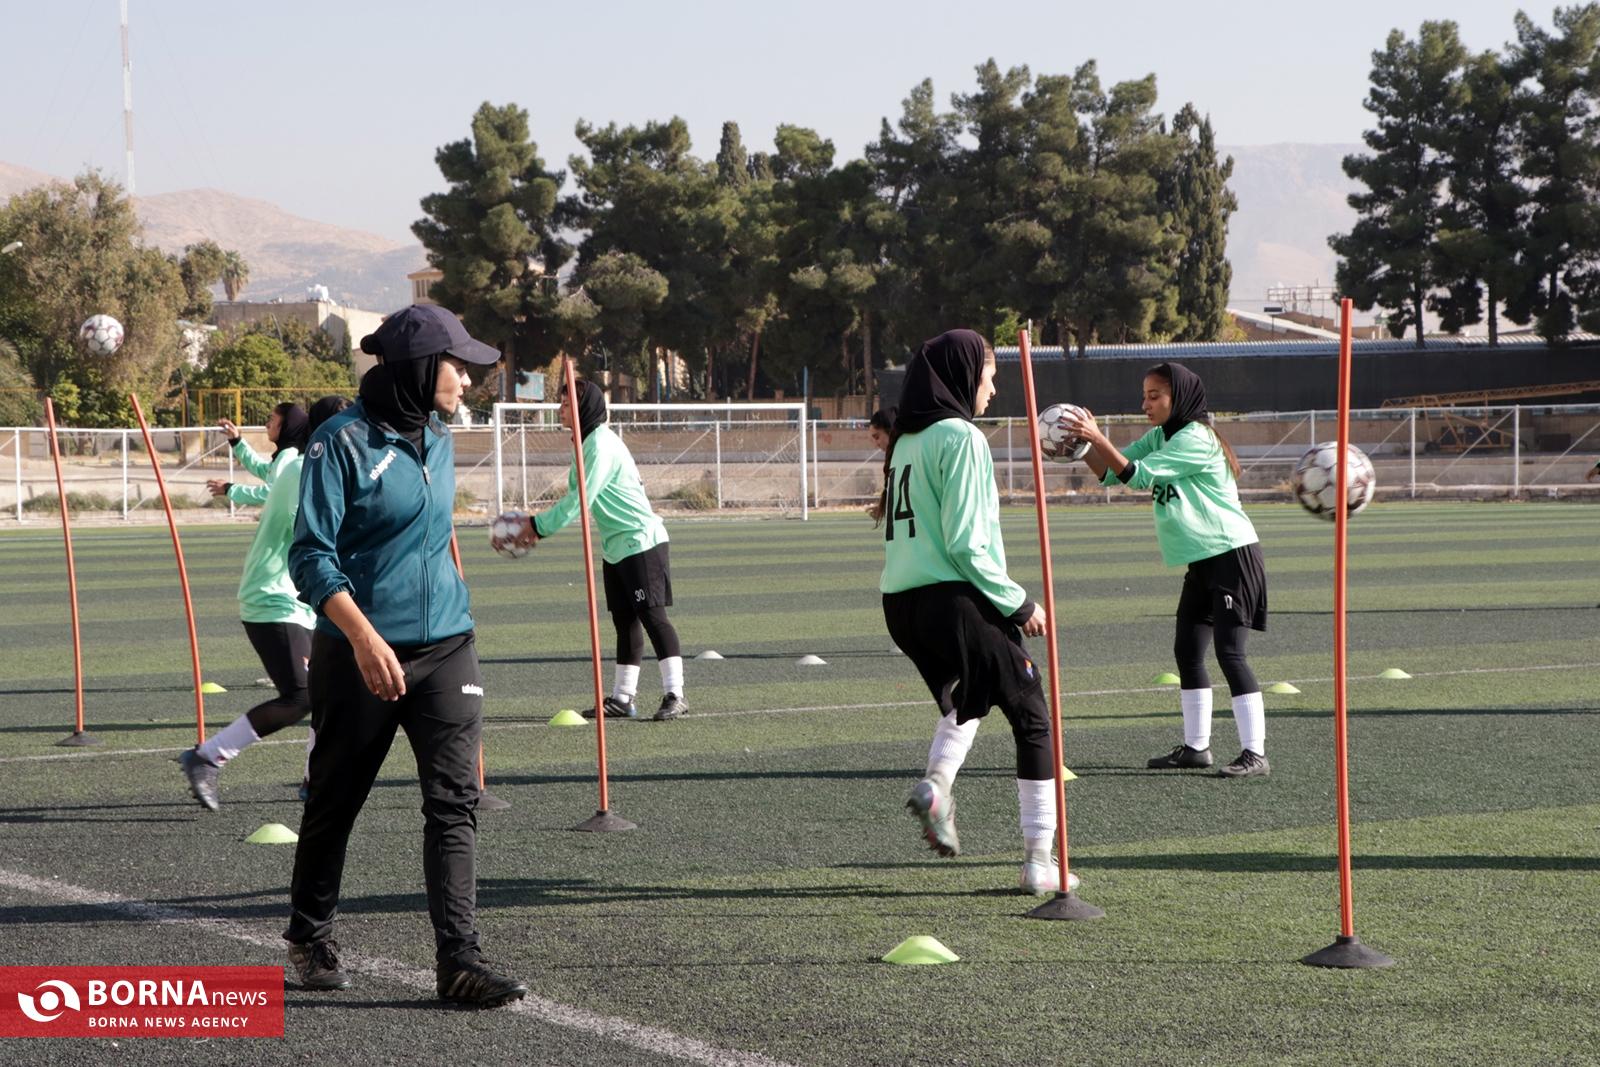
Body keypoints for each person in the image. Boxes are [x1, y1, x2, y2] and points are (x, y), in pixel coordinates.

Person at [283, 305, 525, 1006]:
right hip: (358, 653)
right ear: (422, 368)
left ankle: (459, 959)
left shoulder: (441, 436)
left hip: (448, 645)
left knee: (454, 803)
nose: (467, 384)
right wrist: (363, 637)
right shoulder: (341, 442)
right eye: (458, 367)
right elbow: (310, 557)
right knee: (336, 798)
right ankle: (310, 929)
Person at [879, 329, 1076, 896]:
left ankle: (938, 786)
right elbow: (967, 545)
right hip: (951, 597)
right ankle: (1041, 861)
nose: (993, 388)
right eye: (989, 375)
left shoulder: (906, 440)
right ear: (965, 376)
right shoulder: (961, 437)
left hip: (902, 604)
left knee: (973, 694)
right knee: (1033, 714)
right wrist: (1019, 602)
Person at [1059, 362, 1271, 779]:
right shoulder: (1161, 436)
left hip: (1233, 555)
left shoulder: (1197, 439)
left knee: (1231, 653)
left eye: (1155, 396)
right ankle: (1197, 748)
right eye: (1144, 396)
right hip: (1203, 561)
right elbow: (1109, 475)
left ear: (1181, 397)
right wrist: (1081, 447)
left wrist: (1097, 435)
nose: (1146, 404)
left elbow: (1138, 477)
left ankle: (1255, 753)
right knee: (1188, 652)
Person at [180, 399, 353, 811]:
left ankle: (315, 782)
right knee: (300, 696)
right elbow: (318, 533)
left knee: (329, 693)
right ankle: (208, 757)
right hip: (274, 596)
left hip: (304, 599)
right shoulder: (302, 468)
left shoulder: (313, 465)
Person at [495, 380, 685, 721]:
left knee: (653, 617)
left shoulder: (600, 443)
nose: (560, 410)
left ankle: (676, 694)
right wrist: (535, 525)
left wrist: (536, 527)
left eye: (566, 403)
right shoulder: (583, 444)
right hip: (616, 545)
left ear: (583, 407)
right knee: (624, 622)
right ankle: (622, 698)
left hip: (641, 540)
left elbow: (581, 500)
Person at [864, 407, 897, 524]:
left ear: (890, 430)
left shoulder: (908, 455)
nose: (876, 444)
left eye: (877, 437)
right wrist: (883, 507)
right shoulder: (894, 459)